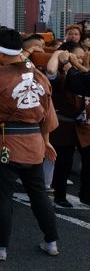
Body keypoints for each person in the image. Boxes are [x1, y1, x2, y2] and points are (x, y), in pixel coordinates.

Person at [0, 28, 60, 261]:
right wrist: (46, 141)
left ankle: (0, 247)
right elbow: (48, 113)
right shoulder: (39, 75)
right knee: (39, 195)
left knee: (3, 198)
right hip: (34, 141)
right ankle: (51, 242)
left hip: (7, 142)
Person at [45, 42, 90, 207]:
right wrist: (58, 55)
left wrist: (74, 63)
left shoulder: (79, 73)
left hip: (82, 125)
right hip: (64, 124)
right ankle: (60, 195)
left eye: (82, 57)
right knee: (63, 161)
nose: (80, 59)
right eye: (76, 56)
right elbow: (50, 71)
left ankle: (86, 195)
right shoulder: (61, 75)